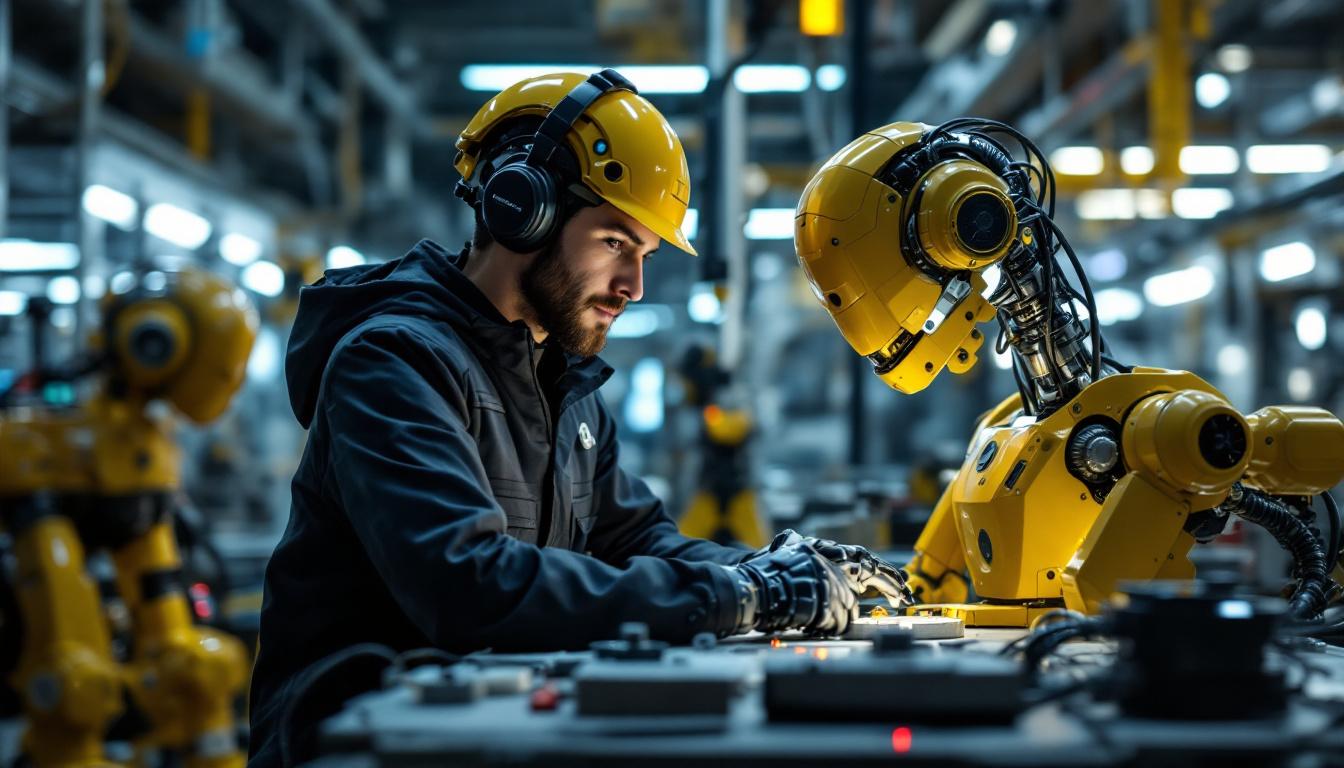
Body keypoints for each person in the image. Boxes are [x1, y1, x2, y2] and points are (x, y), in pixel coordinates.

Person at [247, 69, 910, 767]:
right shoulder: (392, 363)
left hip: (482, 733)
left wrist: (776, 569)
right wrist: (745, 595)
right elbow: (467, 586)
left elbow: (639, 538)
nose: (634, 287)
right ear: (520, 209)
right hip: (355, 743)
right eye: (615, 243)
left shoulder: (566, 383)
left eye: (645, 255)